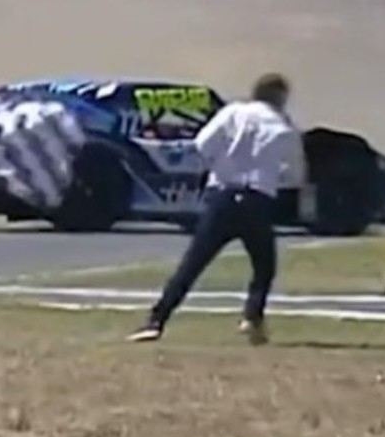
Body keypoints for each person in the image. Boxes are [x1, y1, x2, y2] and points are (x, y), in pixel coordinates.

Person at [126, 73, 304, 345]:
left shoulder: (233, 112)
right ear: (280, 98)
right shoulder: (283, 127)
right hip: (257, 199)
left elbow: (202, 144)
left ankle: (156, 320)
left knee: (193, 264)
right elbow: (294, 172)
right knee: (264, 266)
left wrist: (220, 164)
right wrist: (274, 178)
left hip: (222, 195)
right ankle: (252, 317)